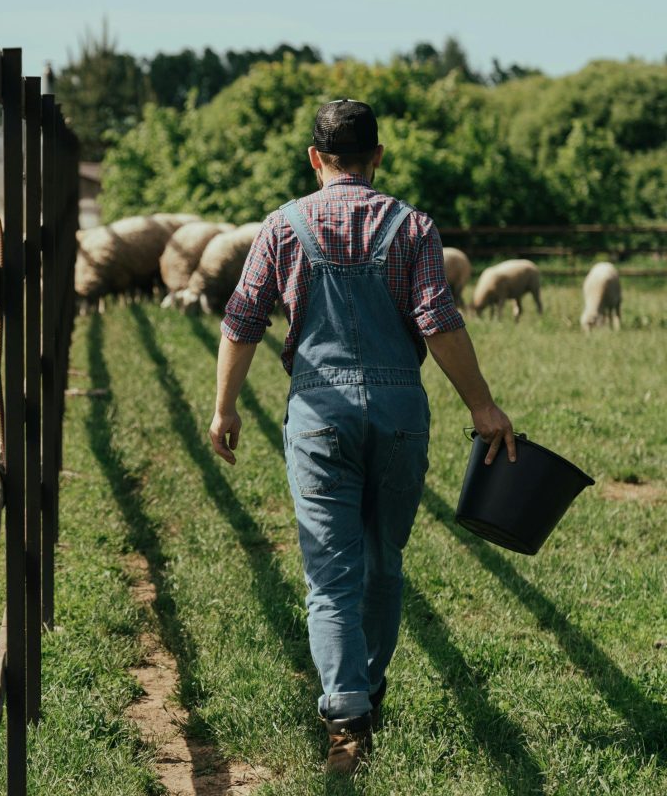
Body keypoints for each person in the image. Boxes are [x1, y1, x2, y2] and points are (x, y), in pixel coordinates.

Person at [207, 98, 514, 776]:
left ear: (315, 159)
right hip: (401, 409)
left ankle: (348, 719)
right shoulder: (414, 227)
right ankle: (369, 691)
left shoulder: (283, 226)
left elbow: (242, 319)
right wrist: (483, 407)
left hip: (319, 413)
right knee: (383, 560)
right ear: (378, 157)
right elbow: (437, 322)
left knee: (331, 573)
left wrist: (225, 408)